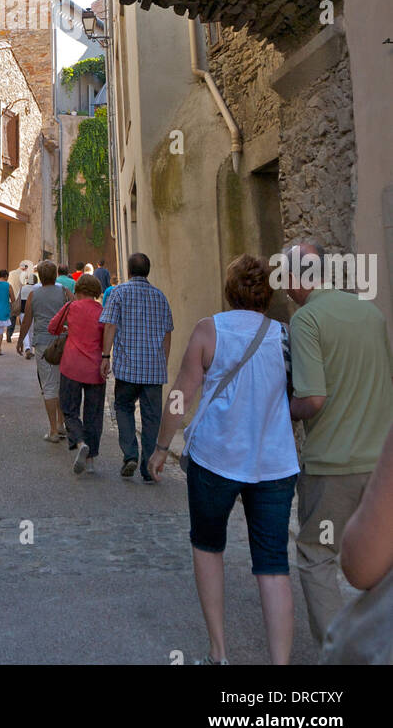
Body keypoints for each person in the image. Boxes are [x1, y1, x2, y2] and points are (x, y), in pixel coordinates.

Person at [148, 254, 299, 667]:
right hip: (274, 464)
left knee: (208, 547)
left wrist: (161, 447)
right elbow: (296, 397)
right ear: (266, 292)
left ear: (229, 290)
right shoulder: (284, 335)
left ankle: (219, 652)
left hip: (215, 458)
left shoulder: (208, 330)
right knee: (273, 566)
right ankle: (280, 664)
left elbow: (181, 394)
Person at [283, 239, 393, 649]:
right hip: (380, 465)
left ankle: (337, 654)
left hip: (332, 467)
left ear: (297, 277)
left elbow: (313, 399)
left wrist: (282, 411)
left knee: (316, 556)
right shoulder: (371, 313)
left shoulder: (307, 320)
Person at [321, 423, 393, 665]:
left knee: (319, 551)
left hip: (332, 469)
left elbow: (313, 400)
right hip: (367, 464)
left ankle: (321, 636)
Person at [100, 252, 173, 480]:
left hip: (128, 368)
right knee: (152, 419)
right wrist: (163, 361)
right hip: (153, 369)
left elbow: (110, 325)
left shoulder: (119, 292)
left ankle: (130, 454)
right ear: (147, 271)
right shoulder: (160, 297)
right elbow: (167, 334)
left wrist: (105, 356)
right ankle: (149, 467)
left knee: (123, 407)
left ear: (129, 271)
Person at [50, 273, 106, 475]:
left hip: (72, 365)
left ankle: (80, 442)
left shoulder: (71, 307)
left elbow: (52, 328)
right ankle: (90, 461)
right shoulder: (102, 311)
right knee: (94, 414)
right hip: (95, 368)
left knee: (69, 409)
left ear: (78, 289)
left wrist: (69, 328)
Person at [17, 260, 70, 440]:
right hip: (63, 342)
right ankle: (62, 424)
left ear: (40, 275)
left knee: (48, 385)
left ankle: (53, 430)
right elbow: (75, 310)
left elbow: (27, 320)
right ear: (55, 275)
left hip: (43, 343)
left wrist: (21, 340)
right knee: (62, 383)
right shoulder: (64, 291)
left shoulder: (34, 294)